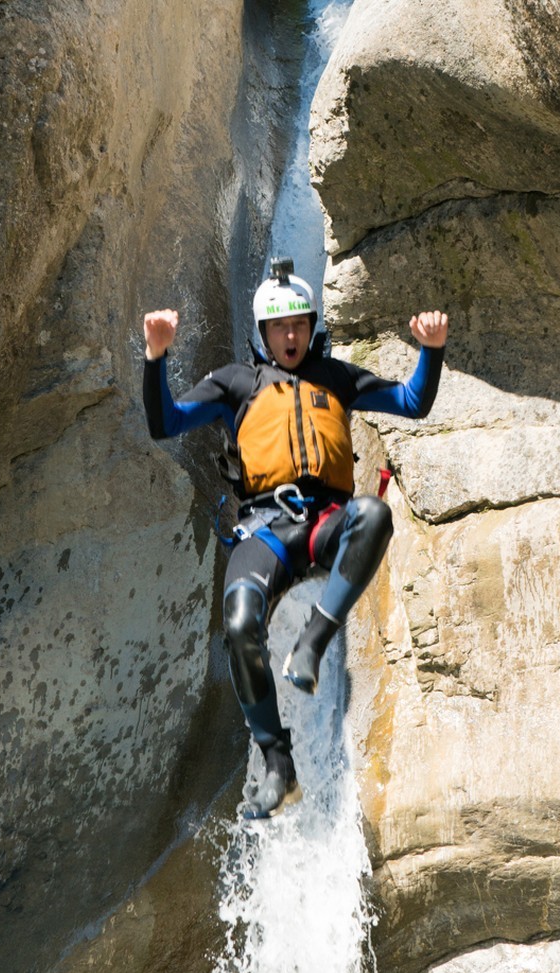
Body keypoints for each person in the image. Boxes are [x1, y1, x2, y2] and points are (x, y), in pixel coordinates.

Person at [142, 257, 448, 818]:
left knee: (374, 517)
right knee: (239, 626)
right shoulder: (235, 383)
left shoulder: (338, 378)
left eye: (300, 325)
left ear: (312, 326)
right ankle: (277, 765)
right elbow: (164, 421)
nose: (291, 336)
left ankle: (313, 641)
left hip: (326, 525)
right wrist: (156, 356)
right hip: (265, 531)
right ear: (262, 334)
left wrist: (431, 349)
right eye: (280, 328)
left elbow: (412, 402)